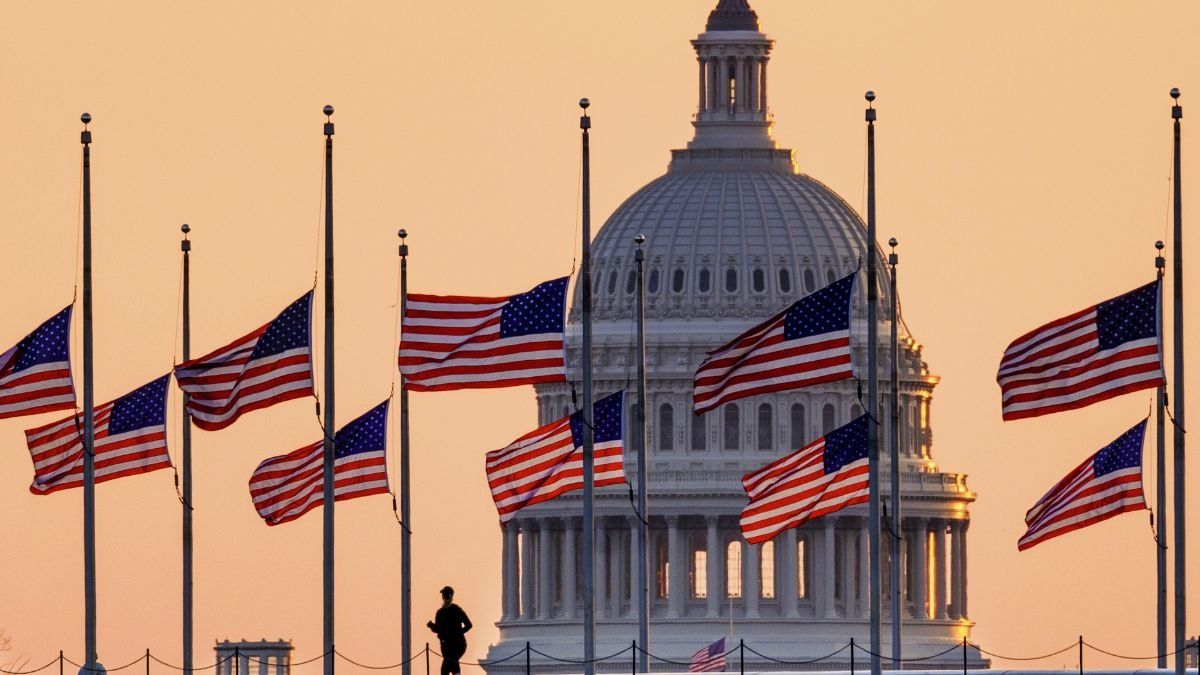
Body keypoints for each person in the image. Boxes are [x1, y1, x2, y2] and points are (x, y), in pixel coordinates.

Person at [427, 586, 472, 675]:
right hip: (450, 645)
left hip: (455, 645)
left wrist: (457, 633)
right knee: (451, 663)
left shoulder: (451, 610)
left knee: (447, 666)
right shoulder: (447, 611)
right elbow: (439, 629)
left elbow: (469, 625)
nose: (445, 598)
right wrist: (458, 633)